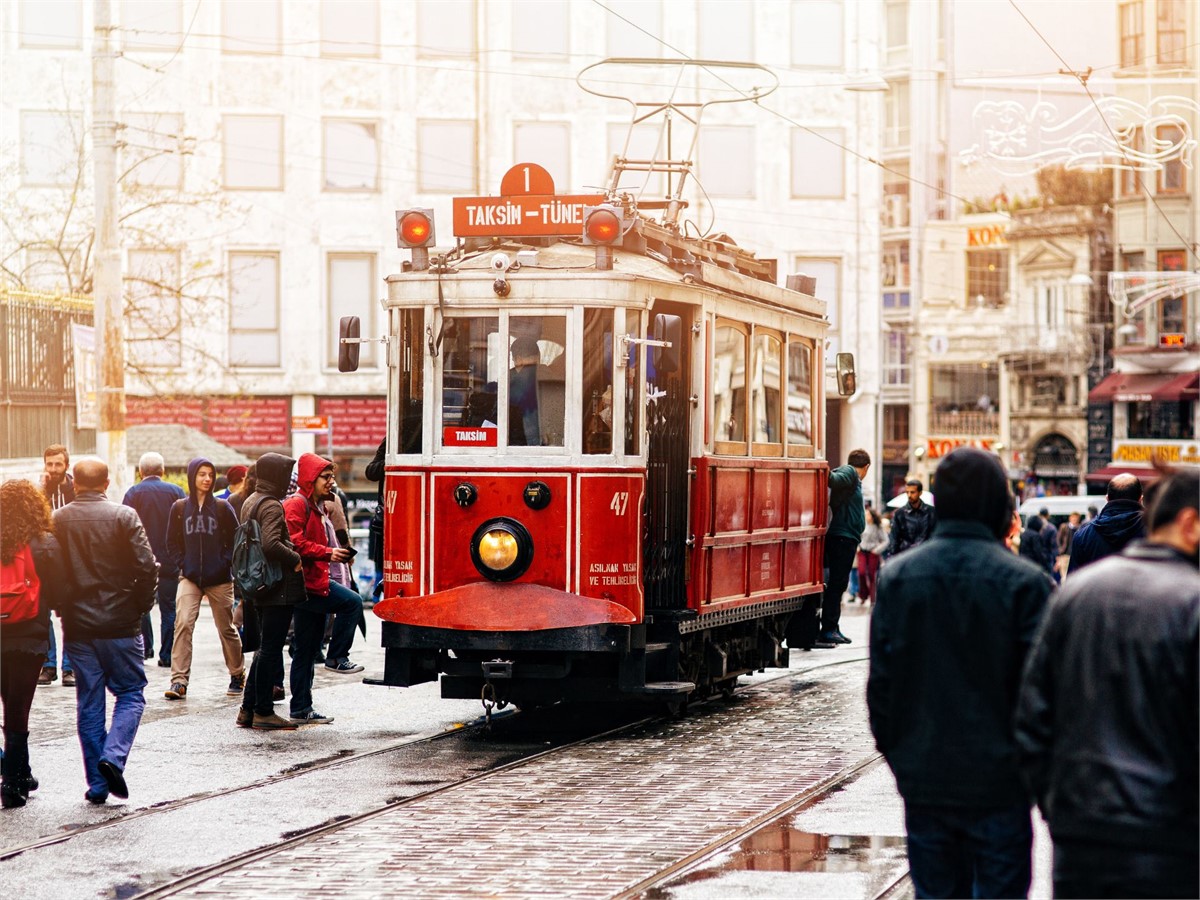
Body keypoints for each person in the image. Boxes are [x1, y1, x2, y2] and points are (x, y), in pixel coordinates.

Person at [868, 448, 1052, 899]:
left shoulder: (898, 578)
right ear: (998, 503)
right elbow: (1041, 698)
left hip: (927, 781)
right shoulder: (1026, 584)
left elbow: (883, 691)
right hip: (1000, 785)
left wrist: (905, 765)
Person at [1015, 469, 1199, 900]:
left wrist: (1060, 807)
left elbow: (1032, 715)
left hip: (1083, 831)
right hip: (1170, 836)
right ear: (1189, 523)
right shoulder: (1191, 602)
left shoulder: (1076, 595)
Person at [52, 458, 158, 804]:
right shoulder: (123, 516)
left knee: (90, 701)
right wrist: (140, 607)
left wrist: (61, 604)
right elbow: (146, 566)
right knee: (130, 693)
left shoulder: (59, 519)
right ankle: (113, 757)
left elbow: (50, 567)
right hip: (120, 622)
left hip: (79, 625)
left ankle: (98, 784)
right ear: (107, 483)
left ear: (75, 484)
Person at [284, 453, 365, 725]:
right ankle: (338, 657)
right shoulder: (297, 505)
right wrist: (328, 553)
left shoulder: (318, 506)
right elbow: (294, 543)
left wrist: (332, 553)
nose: (331, 482)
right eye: (325, 477)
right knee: (352, 603)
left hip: (313, 583)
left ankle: (301, 708)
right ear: (310, 478)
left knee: (305, 650)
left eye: (332, 477)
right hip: (307, 586)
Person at [0, 480, 62, 808]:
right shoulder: (43, 542)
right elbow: (59, 586)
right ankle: (13, 784)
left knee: (9, 703)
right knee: (18, 708)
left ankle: (21, 771)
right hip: (30, 633)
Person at [163, 457, 244, 701]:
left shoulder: (222, 507)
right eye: (201, 474)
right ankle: (179, 681)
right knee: (183, 623)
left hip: (219, 578)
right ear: (192, 477)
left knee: (226, 628)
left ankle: (237, 674)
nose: (207, 479)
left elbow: (237, 538)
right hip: (190, 577)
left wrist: (224, 562)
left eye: (210, 474)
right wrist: (183, 563)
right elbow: (171, 542)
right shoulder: (179, 508)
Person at [236, 453, 304, 731]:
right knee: (271, 649)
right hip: (276, 585)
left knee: (264, 648)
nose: (289, 480)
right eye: (286, 475)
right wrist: (295, 559)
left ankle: (247, 708)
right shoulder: (273, 506)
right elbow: (270, 544)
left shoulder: (251, 500)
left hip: (256, 583)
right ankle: (264, 711)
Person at [122, 452, 185, 668]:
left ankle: (145, 647)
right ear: (163, 470)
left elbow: (124, 528)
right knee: (169, 608)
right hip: (170, 560)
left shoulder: (133, 493)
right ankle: (167, 655)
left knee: (142, 606)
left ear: (141, 472)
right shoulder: (176, 492)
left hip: (140, 561)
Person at [819, 449, 870, 645]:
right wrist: (822, 467)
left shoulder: (852, 478)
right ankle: (829, 629)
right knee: (837, 584)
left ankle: (833, 626)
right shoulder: (850, 473)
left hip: (845, 537)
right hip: (842, 537)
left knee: (838, 584)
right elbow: (832, 478)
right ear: (866, 467)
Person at [38, 444, 74, 687]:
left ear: (66, 465)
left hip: (70, 559)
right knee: (43, 613)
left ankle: (69, 668)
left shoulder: (76, 487)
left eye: (58, 464)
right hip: (43, 559)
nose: (53, 469)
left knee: (71, 614)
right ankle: (48, 666)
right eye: (49, 464)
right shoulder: (40, 490)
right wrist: (41, 489)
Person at [1066, 474, 1145, 574]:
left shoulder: (1083, 536)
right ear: (1140, 499)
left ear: (1107, 499)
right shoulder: (1156, 533)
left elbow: (1073, 581)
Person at [883, 478, 936, 559]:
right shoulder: (899, 514)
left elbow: (935, 535)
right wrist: (892, 556)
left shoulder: (931, 512)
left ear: (920, 493)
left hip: (926, 556)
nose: (909, 495)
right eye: (907, 492)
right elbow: (894, 537)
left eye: (912, 492)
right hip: (906, 555)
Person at [508, 336, 542, 446]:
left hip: (515, 443)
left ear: (517, 359)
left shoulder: (509, 382)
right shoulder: (548, 376)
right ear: (538, 357)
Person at [856, 505, 887, 604]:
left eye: (868, 514)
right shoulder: (862, 524)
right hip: (862, 551)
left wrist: (877, 549)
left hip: (873, 552)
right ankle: (863, 595)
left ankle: (873, 598)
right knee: (861, 573)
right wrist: (857, 547)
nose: (866, 516)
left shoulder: (878, 526)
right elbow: (857, 536)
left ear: (872, 516)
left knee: (871, 574)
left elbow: (886, 541)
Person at [1018, 509, 1055, 576]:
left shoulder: (1024, 534)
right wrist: (1044, 563)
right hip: (1033, 563)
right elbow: (1038, 551)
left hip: (1023, 561)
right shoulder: (1035, 535)